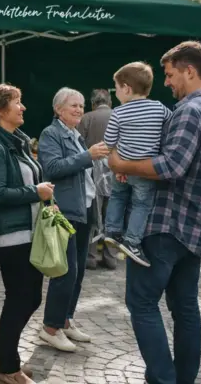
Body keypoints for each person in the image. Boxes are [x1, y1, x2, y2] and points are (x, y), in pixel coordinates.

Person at [108, 41, 201, 384]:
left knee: (142, 303)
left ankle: (163, 380)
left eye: (171, 74)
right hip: (196, 228)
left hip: (167, 226)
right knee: (185, 308)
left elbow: (171, 165)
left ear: (190, 71)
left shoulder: (191, 111)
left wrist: (121, 163)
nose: (168, 82)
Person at [0, 84, 54, 384]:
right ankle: (8, 367)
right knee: (21, 298)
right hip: (10, 238)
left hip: (27, 233)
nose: (23, 107)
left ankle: (1, 351)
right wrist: (35, 192)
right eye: (17, 102)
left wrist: (44, 198)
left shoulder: (14, 142)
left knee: (30, 297)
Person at [37, 87, 110, 352]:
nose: (79, 109)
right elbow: (53, 168)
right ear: (58, 110)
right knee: (65, 272)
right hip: (66, 211)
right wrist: (87, 155)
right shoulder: (51, 134)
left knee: (77, 272)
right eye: (73, 106)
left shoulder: (76, 135)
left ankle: (65, 320)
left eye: (81, 105)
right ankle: (50, 328)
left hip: (84, 209)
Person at [102, 62, 172, 267]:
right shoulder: (159, 108)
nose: (116, 93)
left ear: (126, 88)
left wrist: (120, 165)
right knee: (141, 205)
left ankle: (112, 231)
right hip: (145, 169)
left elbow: (108, 142)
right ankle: (132, 242)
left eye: (116, 88)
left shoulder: (118, 113)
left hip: (122, 169)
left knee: (118, 196)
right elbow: (171, 127)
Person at [77, 89, 117, 270]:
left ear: (93, 103)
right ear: (109, 102)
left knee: (93, 214)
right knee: (113, 215)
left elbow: (78, 146)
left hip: (92, 173)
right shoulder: (118, 116)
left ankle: (90, 257)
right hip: (117, 172)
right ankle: (110, 257)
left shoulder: (86, 118)